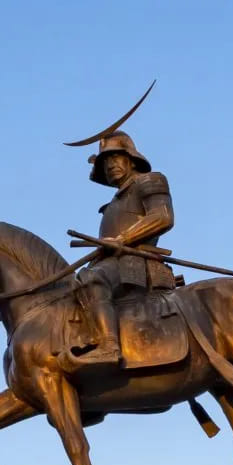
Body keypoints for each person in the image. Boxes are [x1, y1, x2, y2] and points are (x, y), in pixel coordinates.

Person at [71, 126, 176, 364]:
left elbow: (162, 216)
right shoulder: (113, 202)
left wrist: (121, 240)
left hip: (135, 263)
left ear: (131, 158)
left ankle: (109, 346)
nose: (110, 165)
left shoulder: (150, 180)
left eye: (115, 157)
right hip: (110, 262)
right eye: (104, 163)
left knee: (92, 279)